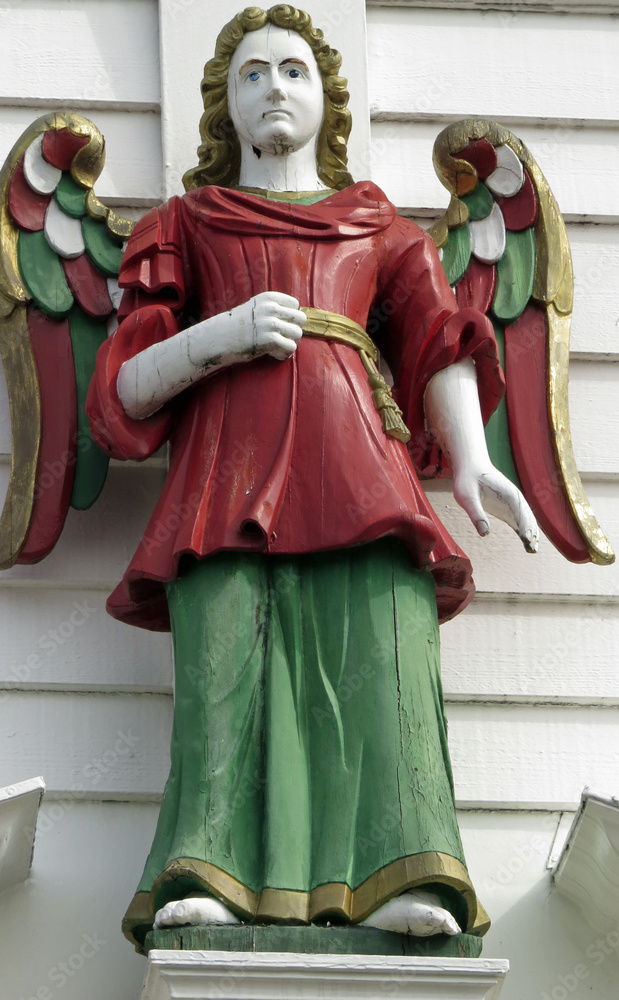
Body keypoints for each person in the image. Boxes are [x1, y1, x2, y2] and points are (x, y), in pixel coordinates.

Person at [87, 4, 538, 954]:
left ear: (327, 98)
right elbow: (126, 387)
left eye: (292, 71)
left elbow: (435, 341)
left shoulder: (377, 223)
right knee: (225, 671)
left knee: (384, 651)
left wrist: (473, 459)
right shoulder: (185, 224)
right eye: (251, 75)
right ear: (225, 107)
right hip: (225, 480)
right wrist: (225, 332)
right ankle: (210, 871)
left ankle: (399, 870)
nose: (273, 90)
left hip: (361, 472)